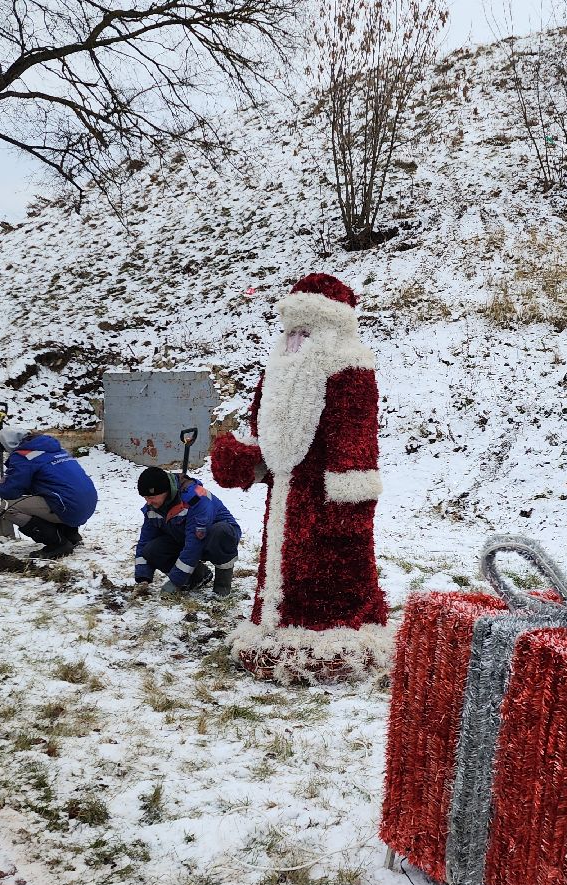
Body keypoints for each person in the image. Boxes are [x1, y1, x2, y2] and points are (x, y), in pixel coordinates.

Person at [210, 272, 390, 682]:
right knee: (282, 566)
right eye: (292, 329)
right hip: (286, 493)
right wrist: (245, 458)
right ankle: (276, 625)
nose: (296, 339)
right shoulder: (277, 367)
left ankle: (331, 636)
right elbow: (265, 429)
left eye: (305, 329)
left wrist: (351, 502)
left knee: (327, 574)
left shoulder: (349, 365)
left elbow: (355, 437)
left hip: (326, 495)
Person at [133, 467, 241, 596]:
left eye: (151, 497)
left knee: (220, 532)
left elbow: (195, 543)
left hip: (215, 538)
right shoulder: (153, 507)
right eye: (145, 498)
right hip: (185, 538)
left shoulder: (195, 498)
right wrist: (142, 577)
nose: (148, 502)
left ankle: (222, 587)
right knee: (152, 549)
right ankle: (198, 577)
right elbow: (145, 540)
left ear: (165, 491)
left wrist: (175, 581)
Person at [0, 427, 98, 559]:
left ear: (9, 444)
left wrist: (11, 481)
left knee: (7, 507)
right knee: (55, 493)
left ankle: (57, 543)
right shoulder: (56, 449)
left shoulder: (23, 456)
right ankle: (71, 535)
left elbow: (7, 491)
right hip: (87, 503)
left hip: (68, 507)